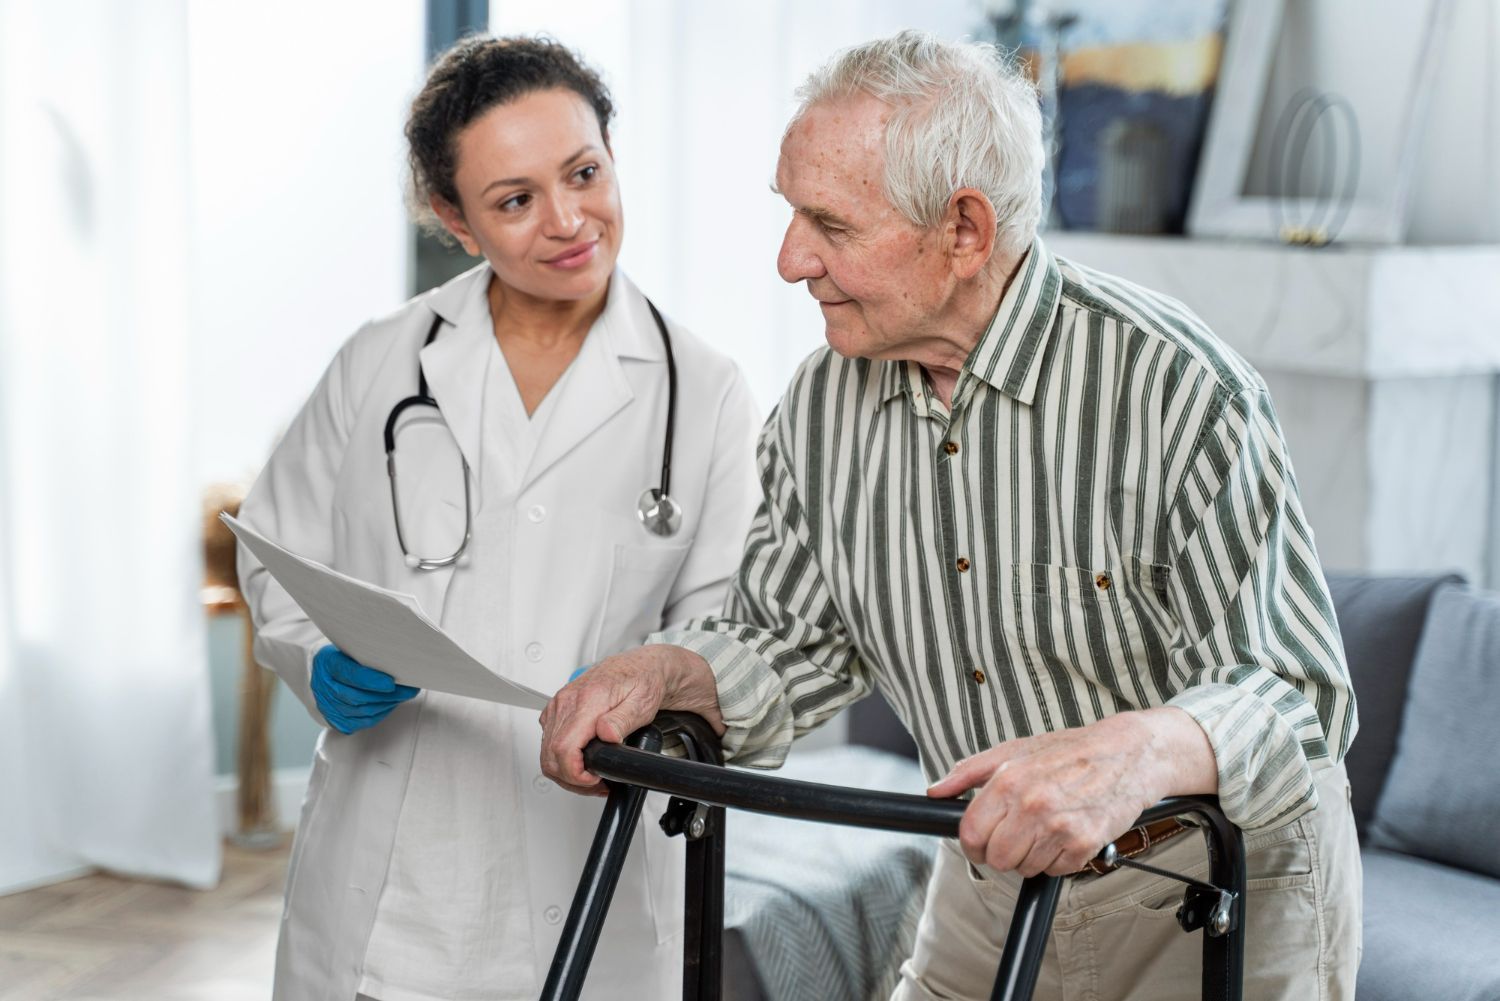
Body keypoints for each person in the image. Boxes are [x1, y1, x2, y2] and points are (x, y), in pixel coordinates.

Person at [540, 30, 1361, 1001]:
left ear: (964, 231)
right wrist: (677, 668)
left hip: (1204, 887)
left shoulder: (1177, 387)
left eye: (830, 224)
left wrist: (1133, 751)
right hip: (988, 879)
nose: (789, 258)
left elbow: (1300, 691)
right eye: (789, 213)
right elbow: (793, 637)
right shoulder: (821, 401)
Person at [236, 35, 759, 1001]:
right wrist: (315, 658)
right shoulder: (381, 359)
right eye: (515, 200)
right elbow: (276, 550)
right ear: (456, 219)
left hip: (582, 854)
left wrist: (647, 687)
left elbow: (727, 627)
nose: (569, 221)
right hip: (385, 868)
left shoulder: (708, 392)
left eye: (584, 173)